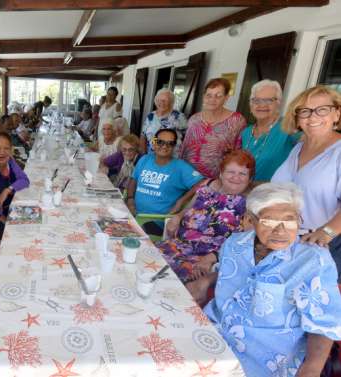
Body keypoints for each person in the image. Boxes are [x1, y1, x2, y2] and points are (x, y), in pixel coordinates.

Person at [191, 182, 341, 377]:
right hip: (210, 333)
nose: (280, 230)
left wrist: (311, 368)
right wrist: (207, 280)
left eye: (289, 220)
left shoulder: (313, 260)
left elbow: (324, 322)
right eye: (268, 221)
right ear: (250, 220)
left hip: (261, 359)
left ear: (299, 220)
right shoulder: (235, 243)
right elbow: (236, 273)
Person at [272, 85, 341, 278]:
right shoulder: (298, 148)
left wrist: (327, 232)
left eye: (322, 110)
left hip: (325, 247)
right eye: (305, 111)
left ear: (337, 114)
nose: (313, 117)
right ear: (297, 117)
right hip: (288, 241)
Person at [156, 150, 254, 282]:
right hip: (176, 245)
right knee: (143, 258)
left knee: (163, 279)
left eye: (242, 173)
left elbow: (245, 242)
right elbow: (187, 209)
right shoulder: (207, 185)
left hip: (202, 260)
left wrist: (212, 258)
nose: (236, 178)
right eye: (231, 172)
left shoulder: (250, 204)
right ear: (221, 173)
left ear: (249, 178)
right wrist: (177, 217)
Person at [127, 129, 204, 236]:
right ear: (154, 142)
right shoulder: (145, 159)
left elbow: (203, 183)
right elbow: (133, 180)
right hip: (133, 213)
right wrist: (130, 199)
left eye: (170, 143)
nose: (164, 146)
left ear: (174, 147)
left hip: (156, 222)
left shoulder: (180, 166)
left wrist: (181, 201)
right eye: (160, 142)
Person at [180, 78, 247, 178]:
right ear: (204, 97)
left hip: (215, 179)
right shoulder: (194, 119)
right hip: (187, 176)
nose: (212, 99)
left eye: (218, 96)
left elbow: (239, 152)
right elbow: (184, 148)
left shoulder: (237, 121)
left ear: (226, 98)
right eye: (209, 95)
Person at [241, 80, 300, 181]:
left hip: (272, 194)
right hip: (244, 192)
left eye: (268, 100)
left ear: (278, 103)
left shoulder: (289, 127)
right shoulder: (246, 132)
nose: (262, 105)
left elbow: (313, 144)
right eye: (256, 100)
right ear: (251, 105)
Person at [140, 89, 187, 154]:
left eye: (165, 100)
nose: (162, 103)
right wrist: (144, 155)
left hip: (171, 156)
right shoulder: (151, 116)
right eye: (159, 100)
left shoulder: (179, 117)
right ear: (156, 101)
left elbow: (186, 138)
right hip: (151, 155)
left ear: (171, 102)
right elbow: (143, 137)